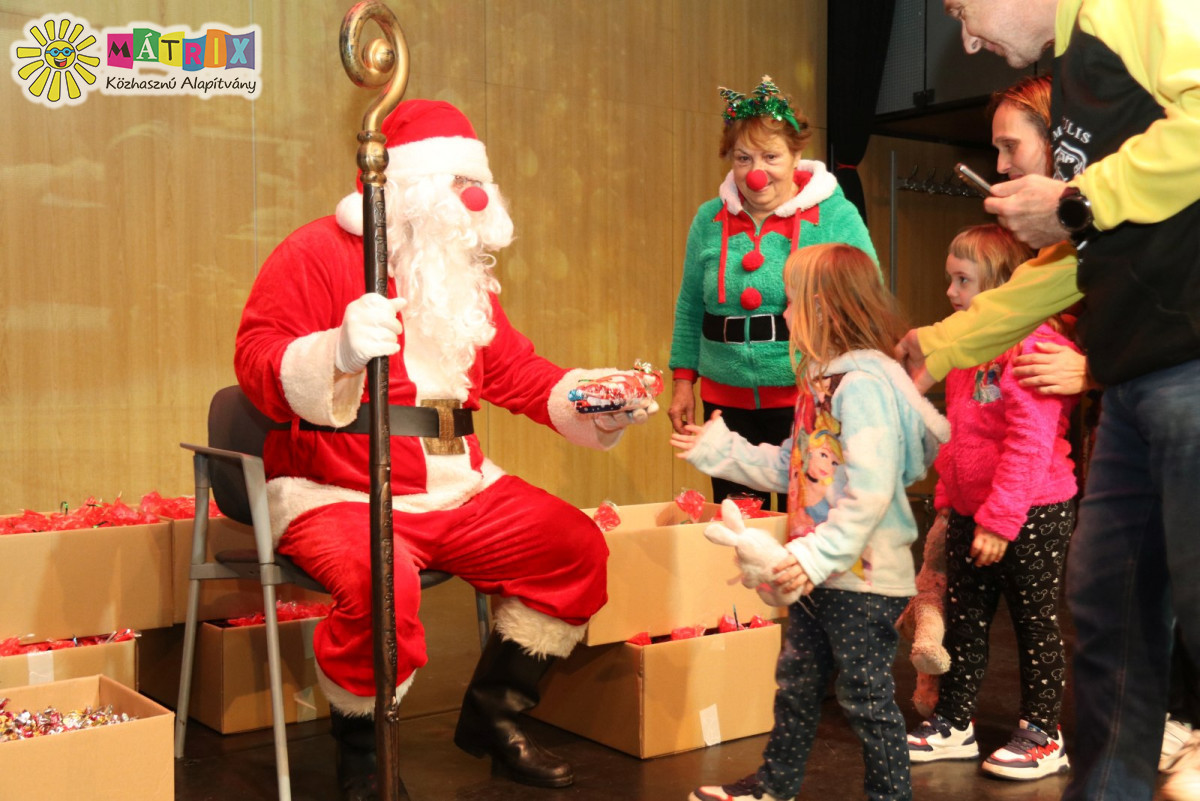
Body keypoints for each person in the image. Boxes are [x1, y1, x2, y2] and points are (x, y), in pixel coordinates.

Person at [234, 99, 656, 801]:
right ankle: (365, 752)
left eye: (475, 181)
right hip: (340, 487)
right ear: (408, 187)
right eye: (456, 183)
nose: (476, 199)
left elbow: (519, 373)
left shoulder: (459, 275)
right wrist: (333, 351)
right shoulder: (313, 253)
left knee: (572, 546)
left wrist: (597, 396)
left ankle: (494, 715)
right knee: (380, 582)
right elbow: (257, 359)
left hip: (460, 486)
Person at [894, 2, 1200, 800]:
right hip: (1137, 376)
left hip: (1188, 365)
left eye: (961, 8)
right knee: (1106, 618)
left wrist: (1077, 202)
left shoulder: (1131, 9)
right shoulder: (1074, 77)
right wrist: (946, 343)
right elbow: (1082, 255)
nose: (964, 38)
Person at [671, 243, 949, 801]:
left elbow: (868, 495)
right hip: (817, 572)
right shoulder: (820, 385)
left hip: (862, 580)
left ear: (825, 308)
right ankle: (772, 787)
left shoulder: (863, 387)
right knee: (797, 687)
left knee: (866, 697)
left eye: (793, 301)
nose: (786, 315)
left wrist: (811, 555)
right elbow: (792, 468)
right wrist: (720, 449)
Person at [905, 224, 1080, 781]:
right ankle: (955, 722)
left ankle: (1043, 733)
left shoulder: (1035, 348)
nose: (952, 294)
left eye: (964, 282)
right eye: (949, 280)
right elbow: (962, 435)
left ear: (1005, 289)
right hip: (972, 514)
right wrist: (950, 500)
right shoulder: (966, 350)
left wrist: (1001, 520)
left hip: (1031, 513)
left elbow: (1028, 444)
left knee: (1033, 624)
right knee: (965, 619)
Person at [667, 76, 878, 511]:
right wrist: (683, 382)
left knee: (804, 521)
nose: (755, 170)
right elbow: (690, 305)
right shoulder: (708, 219)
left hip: (804, 396)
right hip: (725, 401)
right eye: (743, 157)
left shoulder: (835, 214)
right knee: (738, 523)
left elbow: (867, 296)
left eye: (770, 156)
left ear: (796, 155)